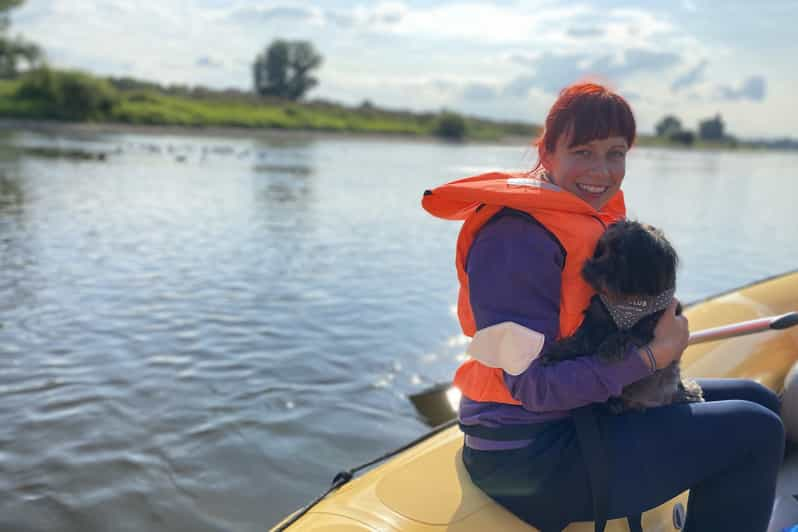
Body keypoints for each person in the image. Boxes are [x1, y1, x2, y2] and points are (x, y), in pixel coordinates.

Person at [422, 82, 784, 532]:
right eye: (583, 151)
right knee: (756, 432)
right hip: (530, 457)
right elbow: (534, 389)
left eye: (616, 153)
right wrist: (652, 357)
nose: (602, 170)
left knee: (759, 399)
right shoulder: (513, 241)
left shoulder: (576, 212)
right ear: (548, 150)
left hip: (579, 415)